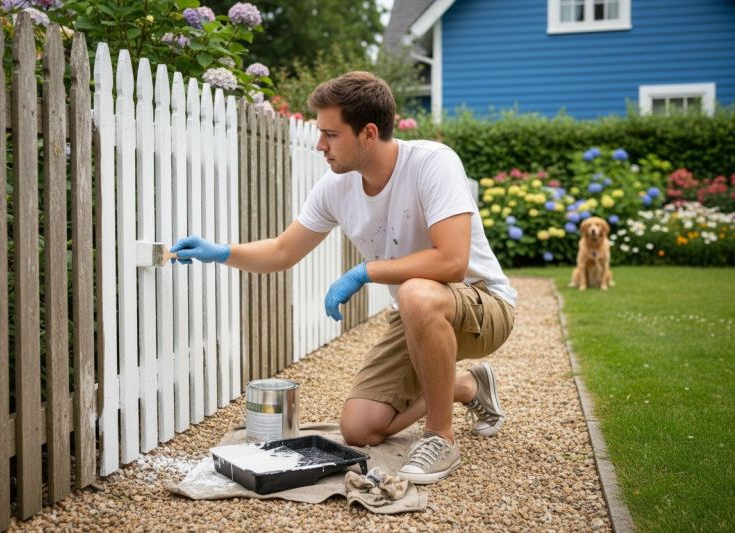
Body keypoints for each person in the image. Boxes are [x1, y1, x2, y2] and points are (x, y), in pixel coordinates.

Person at [171, 71, 517, 485]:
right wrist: (222, 252)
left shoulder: (431, 163)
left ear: (368, 133)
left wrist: (364, 270)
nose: (320, 145)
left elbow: (452, 262)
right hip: (416, 312)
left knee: (417, 294)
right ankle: (465, 387)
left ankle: (440, 437)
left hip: (482, 304)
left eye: (330, 135)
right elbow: (284, 251)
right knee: (360, 428)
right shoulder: (336, 186)